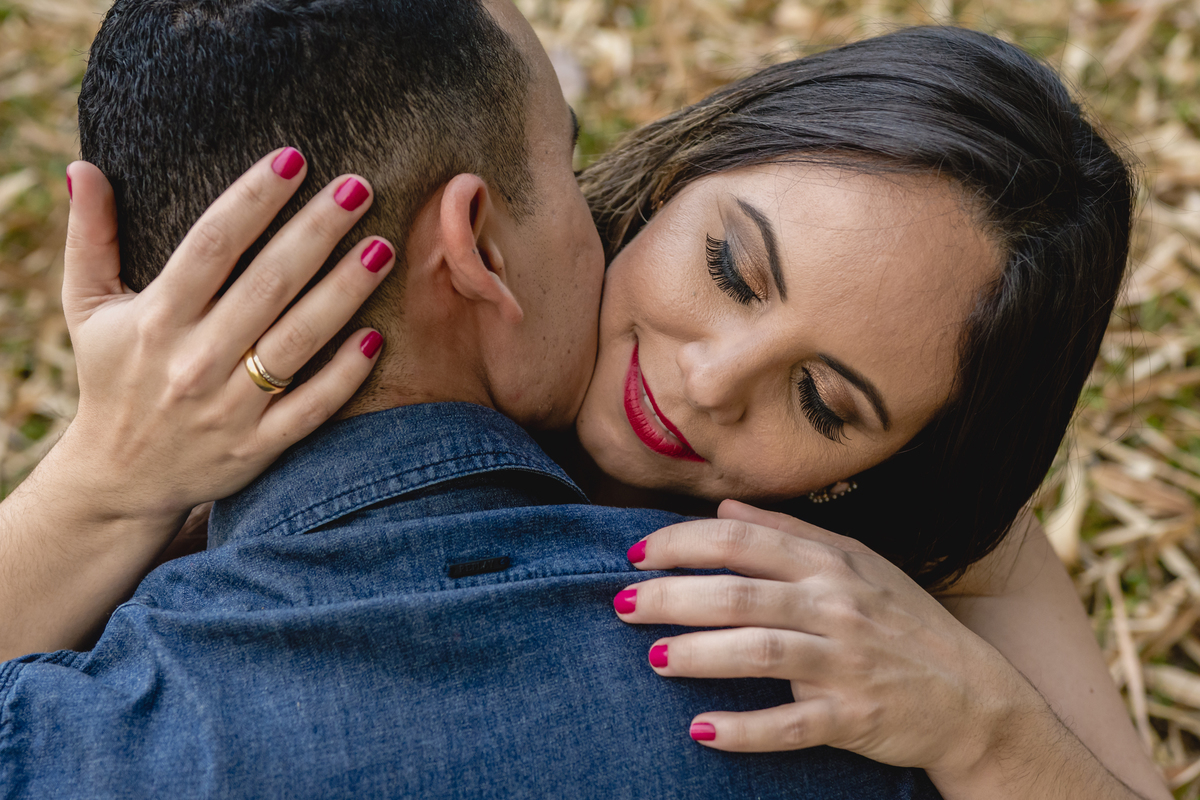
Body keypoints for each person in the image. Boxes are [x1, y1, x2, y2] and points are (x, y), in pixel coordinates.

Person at [0, 3, 1168, 800]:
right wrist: (101, 476)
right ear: (674, 177)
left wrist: (989, 728)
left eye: (820, 399)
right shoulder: (274, 440)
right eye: (728, 269)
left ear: (880, 466)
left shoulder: (913, 590)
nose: (707, 380)